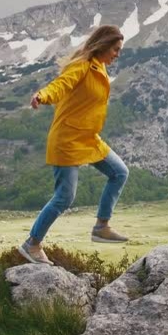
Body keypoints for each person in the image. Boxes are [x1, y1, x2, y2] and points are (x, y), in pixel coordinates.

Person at [17, 25, 130, 266]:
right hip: (67, 140)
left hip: (88, 138)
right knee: (64, 197)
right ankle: (32, 244)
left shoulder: (99, 67)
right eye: (115, 49)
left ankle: (101, 226)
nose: (117, 54)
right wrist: (42, 96)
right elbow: (60, 86)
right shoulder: (81, 67)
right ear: (103, 46)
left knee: (120, 172)